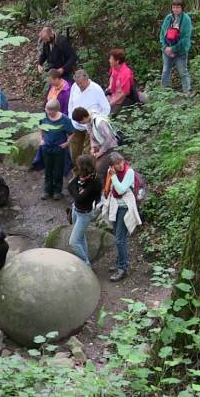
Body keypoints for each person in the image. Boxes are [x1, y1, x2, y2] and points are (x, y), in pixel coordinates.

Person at [102, 152, 142, 282]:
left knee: (120, 239)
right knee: (119, 238)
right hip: (115, 206)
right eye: (116, 164)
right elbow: (108, 188)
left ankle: (123, 268)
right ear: (111, 166)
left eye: (121, 162)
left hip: (125, 207)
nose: (120, 165)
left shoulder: (129, 172)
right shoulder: (111, 172)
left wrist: (113, 176)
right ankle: (120, 262)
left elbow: (120, 189)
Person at [67, 70, 110, 176]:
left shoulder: (96, 89)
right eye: (77, 83)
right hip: (76, 125)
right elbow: (70, 103)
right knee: (75, 151)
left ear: (87, 79)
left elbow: (106, 108)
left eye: (81, 83)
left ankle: (87, 174)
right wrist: (70, 117)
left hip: (90, 126)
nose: (79, 86)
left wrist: (97, 122)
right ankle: (77, 173)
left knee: (88, 152)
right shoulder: (74, 87)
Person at [66, 154, 102, 266]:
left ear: (83, 166)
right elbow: (70, 186)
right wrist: (76, 190)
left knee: (73, 242)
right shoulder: (82, 176)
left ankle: (86, 264)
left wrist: (75, 190)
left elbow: (79, 197)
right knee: (81, 238)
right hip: (76, 210)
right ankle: (85, 262)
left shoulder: (94, 182)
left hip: (84, 215)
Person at [39, 99, 73, 200]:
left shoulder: (65, 119)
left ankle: (57, 191)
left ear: (56, 110)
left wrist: (67, 143)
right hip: (47, 147)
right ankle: (47, 190)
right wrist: (41, 139)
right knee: (48, 169)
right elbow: (40, 128)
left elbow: (71, 133)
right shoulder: (44, 117)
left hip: (59, 149)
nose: (49, 112)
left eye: (51, 110)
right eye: (47, 110)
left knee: (58, 170)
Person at [72, 106, 118, 179]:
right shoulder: (88, 122)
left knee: (99, 168)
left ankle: (102, 187)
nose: (81, 123)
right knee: (89, 162)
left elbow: (109, 138)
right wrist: (93, 147)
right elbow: (91, 135)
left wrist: (100, 152)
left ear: (84, 117)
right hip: (100, 147)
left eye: (80, 122)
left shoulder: (100, 123)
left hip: (111, 148)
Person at [159, 0, 192, 93]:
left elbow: (185, 39)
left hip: (180, 52)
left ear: (182, 8)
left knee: (183, 73)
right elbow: (162, 34)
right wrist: (165, 48)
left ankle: (187, 93)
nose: (176, 9)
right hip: (167, 51)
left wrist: (173, 49)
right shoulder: (169, 18)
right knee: (165, 71)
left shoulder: (186, 20)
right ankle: (163, 93)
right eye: (174, 7)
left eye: (178, 7)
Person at [106, 48, 137, 115]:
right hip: (113, 94)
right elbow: (112, 78)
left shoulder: (126, 73)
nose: (109, 61)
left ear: (117, 61)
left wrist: (113, 102)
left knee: (110, 115)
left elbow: (125, 93)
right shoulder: (114, 68)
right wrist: (109, 88)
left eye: (111, 59)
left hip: (122, 99)